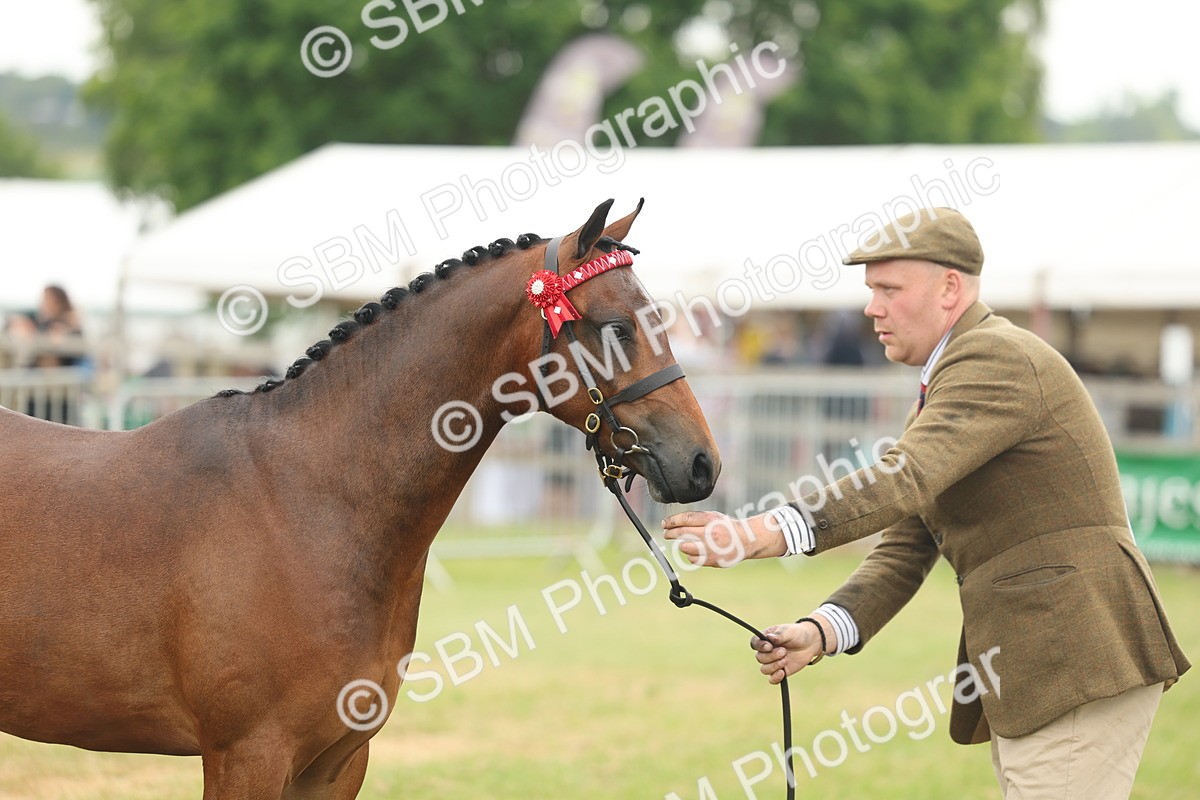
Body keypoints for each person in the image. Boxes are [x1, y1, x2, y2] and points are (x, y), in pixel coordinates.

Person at [662, 207, 1189, 799]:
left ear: (950, 289)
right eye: (871, 290)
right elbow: (908, 544)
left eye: (889, 289)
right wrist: (822, 630)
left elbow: (903, 478)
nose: (872, 308)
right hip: (1052, 658)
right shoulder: (954, 375)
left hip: (1076, 653)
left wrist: (760, 532)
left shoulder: (995, 358)